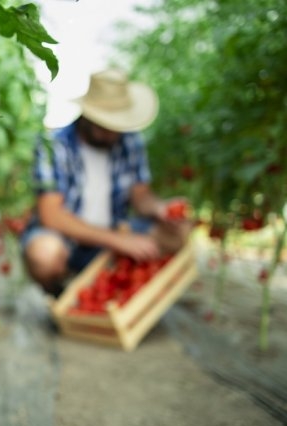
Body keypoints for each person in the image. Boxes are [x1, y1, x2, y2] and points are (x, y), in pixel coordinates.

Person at [21, 68, 191, 298]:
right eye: (106, 125)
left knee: (179, 232)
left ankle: (122, 288)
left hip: (114, 235)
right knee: (44, 254)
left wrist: (159, 208)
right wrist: (119, 240)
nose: (113, 133)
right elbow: (51, 215)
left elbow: (141, 196)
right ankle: (61, 294)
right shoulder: (53, 145)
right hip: (69, 242)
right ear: (88, 116)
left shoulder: (130, 142)